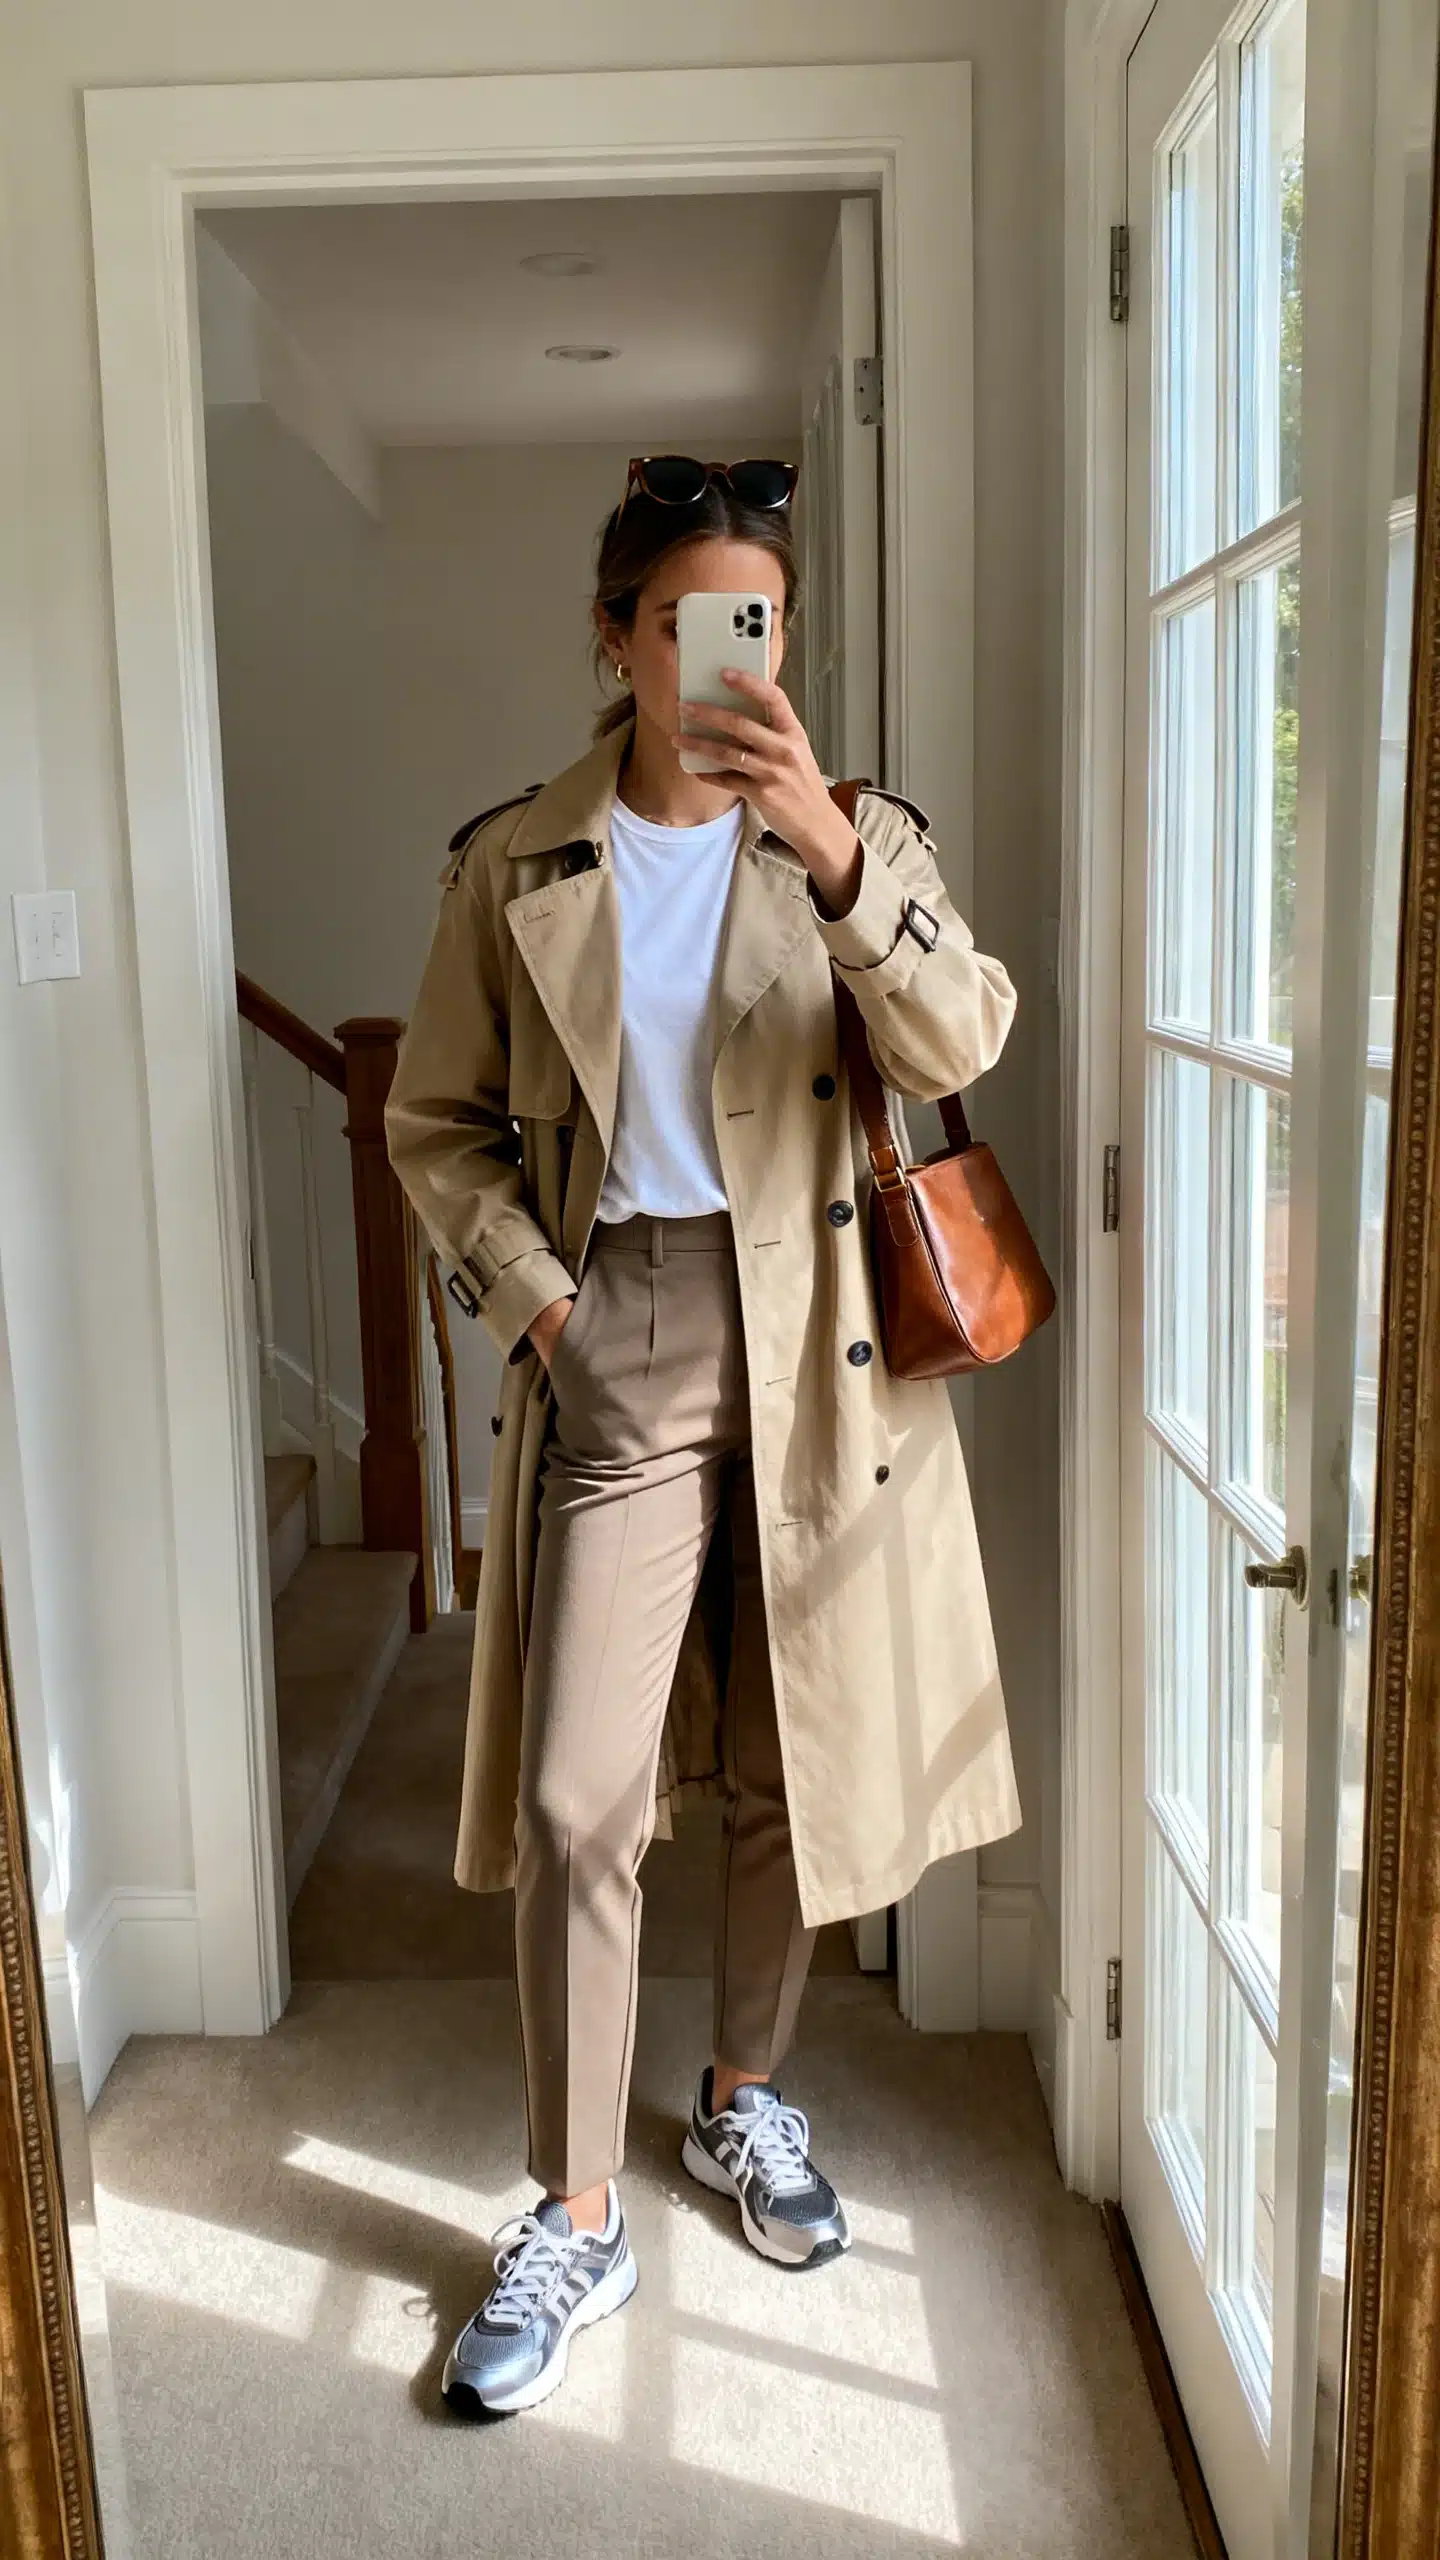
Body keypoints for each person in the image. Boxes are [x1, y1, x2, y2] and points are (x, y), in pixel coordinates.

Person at [383, 454, 1022, 2418]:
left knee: (788, 1759)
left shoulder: (852, 837)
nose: (724, 655)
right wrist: (551, 1312)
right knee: (588, 1788)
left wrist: (835, 852)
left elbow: (966, 1034)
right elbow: (440, 1129)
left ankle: (746, 2093)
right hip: (626, 1330)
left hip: (826, 1339)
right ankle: (576, 2202)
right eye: (687, 619)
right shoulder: (516, 863)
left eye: (758, 618)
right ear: (616, 632)